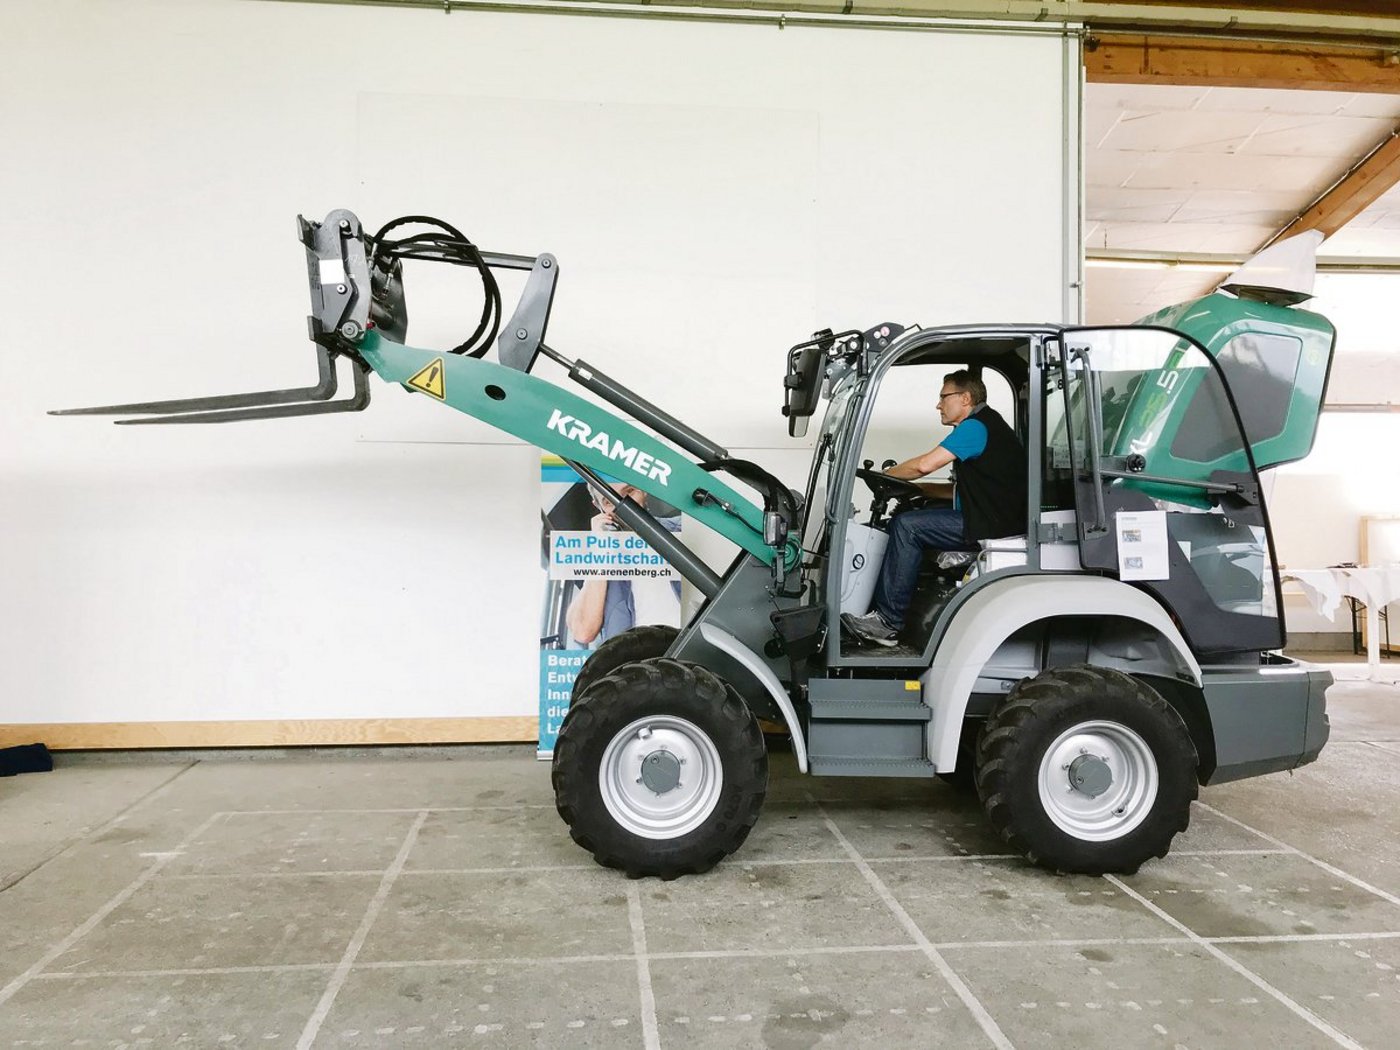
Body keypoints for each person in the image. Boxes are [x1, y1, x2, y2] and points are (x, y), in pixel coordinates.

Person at [842, 370, 1027, 648]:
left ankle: (887, 623)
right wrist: (919, 490)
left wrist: (889, 475)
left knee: (907, 526)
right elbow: (958, 490)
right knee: (908, 516)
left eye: (943, 397)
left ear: (965, 398)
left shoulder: (975, 427)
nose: (938, 405)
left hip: (992, 525)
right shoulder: (985, 425)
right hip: (990, 516)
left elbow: (924, 465)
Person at [566, 482, 682, 647]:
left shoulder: (682, 529)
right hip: (637, 662)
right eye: (608, 501)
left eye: (629, 492)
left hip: (693, 650)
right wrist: (600, 550)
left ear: (644, 491)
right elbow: (583, 631)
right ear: (598, 507)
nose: (624, 505)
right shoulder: (602, 557)